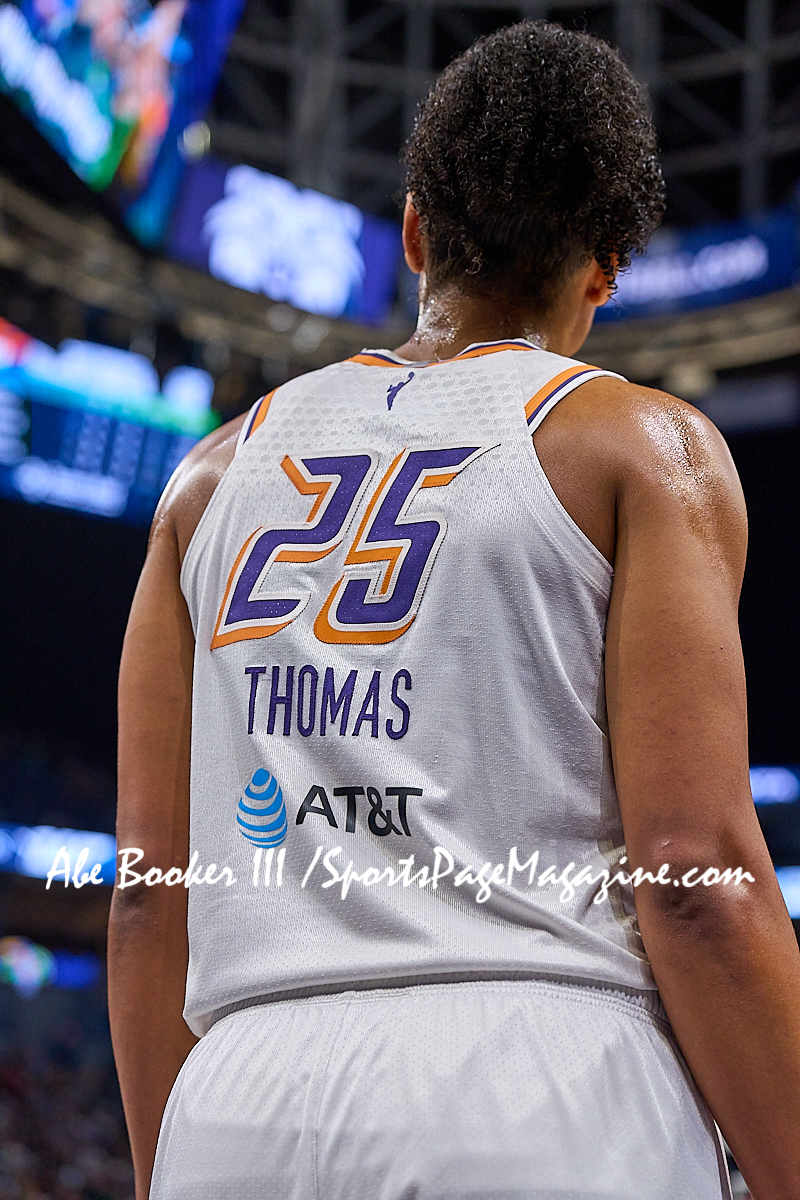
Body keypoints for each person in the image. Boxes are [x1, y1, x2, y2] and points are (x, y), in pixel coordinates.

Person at [108, 19, 800, 1200]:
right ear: (604, 270)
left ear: (414, 232)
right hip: (538, 1081)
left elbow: (144, 896)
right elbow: (690, 875)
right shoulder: (640, 445)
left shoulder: (206, 482)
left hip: (234, 1100)